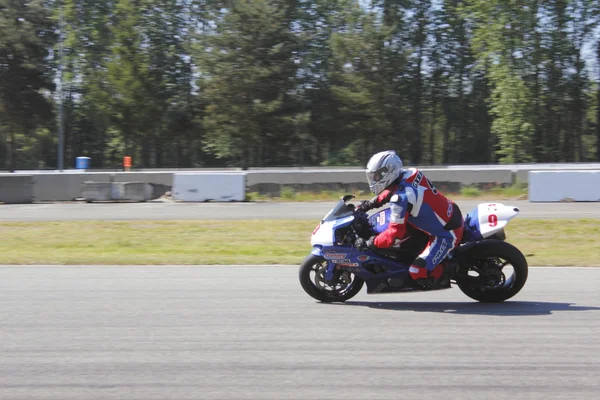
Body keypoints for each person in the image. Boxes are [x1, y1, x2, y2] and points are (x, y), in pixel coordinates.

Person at [355, 150, 464, 289]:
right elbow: (394, 190)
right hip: (449, 211)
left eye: (376, 176)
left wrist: (370, 243)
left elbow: (394, 234)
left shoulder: (401, 198)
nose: (374, 179)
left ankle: (444, 271)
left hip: (446, 234)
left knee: (416, 271)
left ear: (388, 172)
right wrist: (369, 204)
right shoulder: (411, 173)